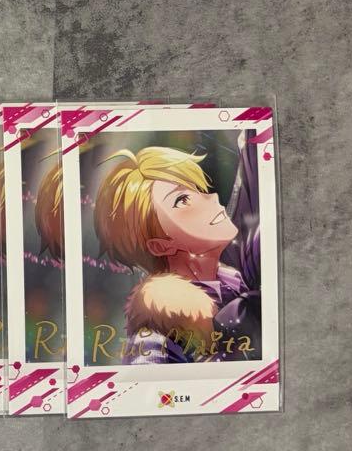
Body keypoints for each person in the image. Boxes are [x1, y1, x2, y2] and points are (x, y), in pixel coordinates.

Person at [93, 137, 260, 364]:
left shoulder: (238, 280)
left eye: (197, 189)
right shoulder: (153, 337)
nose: (210, 197)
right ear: (160, 245)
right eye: (182, 200)